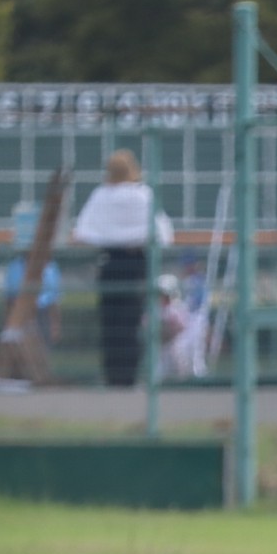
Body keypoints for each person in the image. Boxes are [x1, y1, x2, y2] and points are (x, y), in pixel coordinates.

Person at [72, 149, 175, 387]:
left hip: (110, 262)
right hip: (136, 263)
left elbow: (84, 231)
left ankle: (112, 375)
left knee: (110, 322)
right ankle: (128, 375)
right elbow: (163, 233)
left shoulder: (102, 196)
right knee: (131, 322)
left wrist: (111, 235)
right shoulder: (143, 195)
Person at [2, 253, 63, 348]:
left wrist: (55, 324)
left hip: (43, 312)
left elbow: (53, 300)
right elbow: (10, 298)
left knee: (43, 346)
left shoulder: (50, 267)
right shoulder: (15, 266)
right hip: (21, 312)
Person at [154, 273, 194, 381]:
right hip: (160, 346)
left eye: (162, 293)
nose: (160, 296)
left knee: (180, 370)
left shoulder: (178, 307)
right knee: (158, 373)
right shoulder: (155, 309)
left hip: (176, 344)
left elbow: (181, 327)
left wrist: (168, 330)